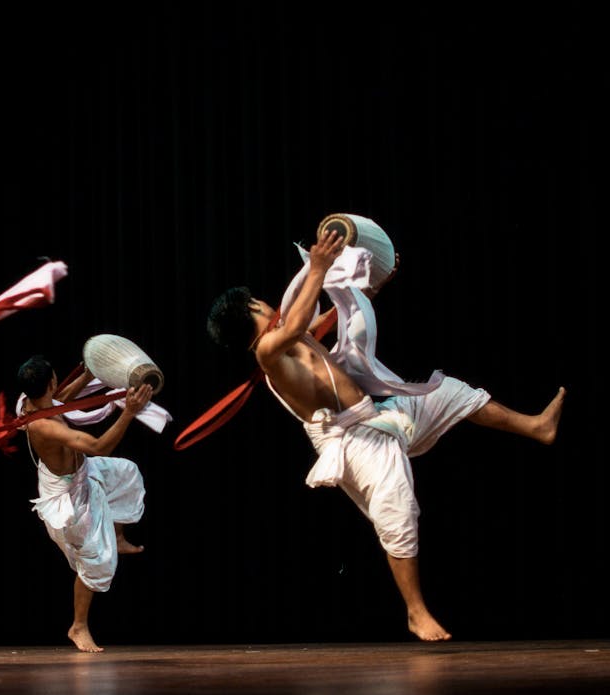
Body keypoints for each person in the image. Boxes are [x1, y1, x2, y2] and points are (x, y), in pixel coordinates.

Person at [205, 225, 565, 642]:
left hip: (380, 414)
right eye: (257, 302)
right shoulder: (269, 352)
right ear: (250, 313)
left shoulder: (292, 337)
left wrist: (372, 287)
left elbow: (332, 317)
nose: (267, 302)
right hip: (353, 440)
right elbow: (301, 317)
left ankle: (535, 426)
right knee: (397, 511)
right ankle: (416, 613)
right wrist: (318, 266)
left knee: (452, 394)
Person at [16, 355, 154, 653]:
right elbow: (97, 446)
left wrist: (88, 371)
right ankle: (78, 626)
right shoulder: (44, 426)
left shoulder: (36, 401)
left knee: (126, 473)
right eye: (57, 377)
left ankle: (117, 536)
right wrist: (129, 412)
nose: (59, 382)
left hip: (82, 471)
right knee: (96, 561)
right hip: (68, 496)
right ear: (50, 382)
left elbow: (62, 398)